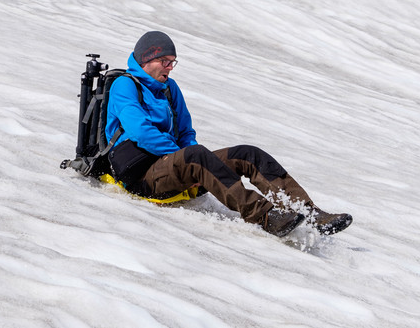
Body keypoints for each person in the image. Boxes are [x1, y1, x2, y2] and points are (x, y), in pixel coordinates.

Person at [106, 31, 352, 237]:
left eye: (173, 62)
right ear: (147, 59)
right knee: (196, 155)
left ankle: (308, 212)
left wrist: (189, 163)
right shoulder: (125, 85)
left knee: (247, 154)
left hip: (173, 164)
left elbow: (185, 131)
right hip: (140, 175)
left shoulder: (169, 88)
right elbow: (141, 132)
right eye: (165, 61)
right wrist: (187, 158)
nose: (170, 67)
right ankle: (266, 216)